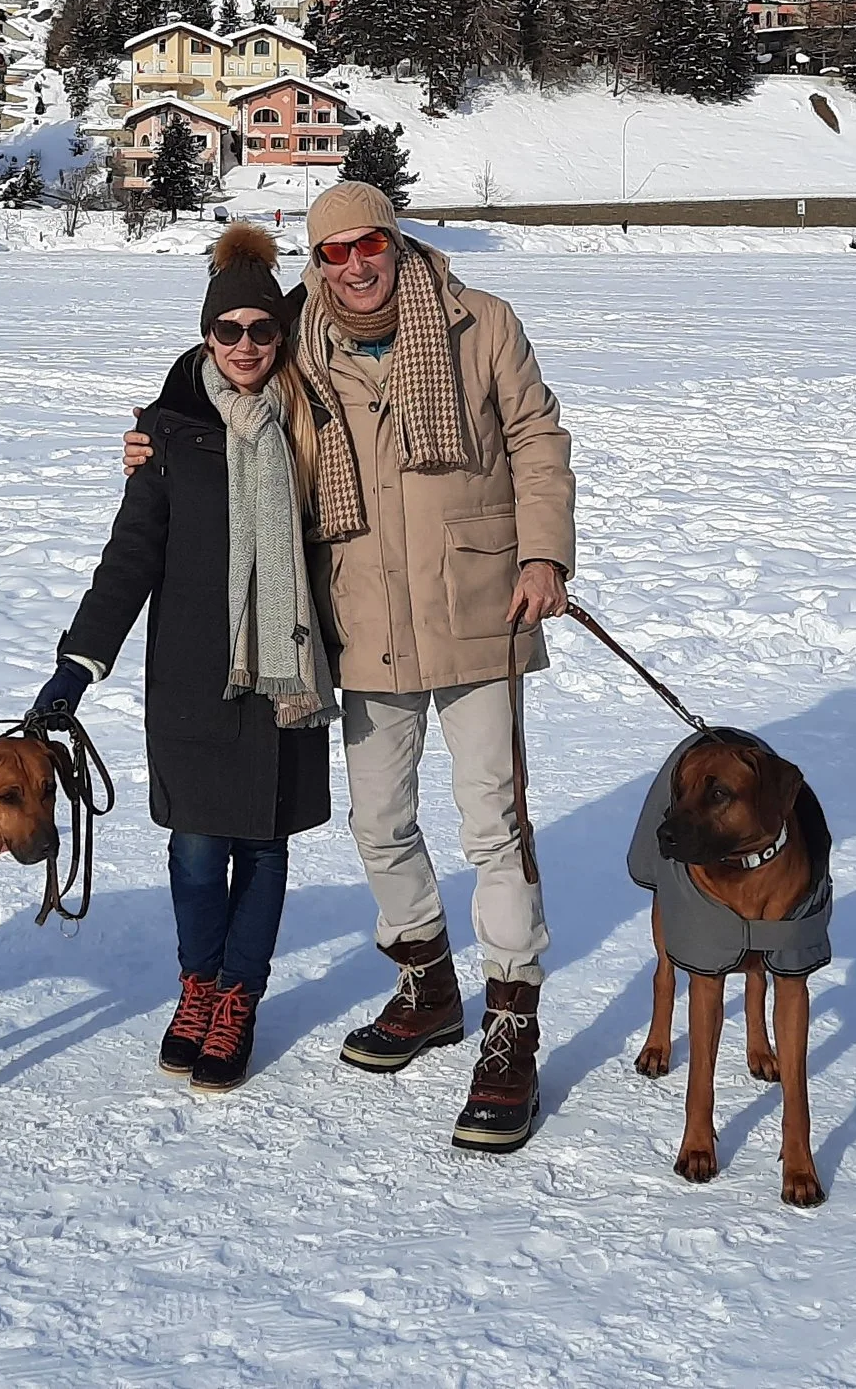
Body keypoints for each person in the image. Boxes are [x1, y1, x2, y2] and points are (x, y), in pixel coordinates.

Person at [135, 180, 577, 1152]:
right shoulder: (298, 345)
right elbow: (222, 374)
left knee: (491, 821)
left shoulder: (480, 321)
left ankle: (510, 1028)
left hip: (477, 604)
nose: (354, 266)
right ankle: (424, 984)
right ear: (317, 262)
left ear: (394, 240)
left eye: (368, 244)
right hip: (361, 614)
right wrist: (161, 439)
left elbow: (537, 437)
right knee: (378, 822)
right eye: (331, 253)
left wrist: (543, 550)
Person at [34, 223, 336, 1094]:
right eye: (227, 330)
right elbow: (130, 559)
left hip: (286, 671)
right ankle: (198, 987)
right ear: (206, 338)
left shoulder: (319, 423)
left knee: (266, 846)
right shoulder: (165, 435)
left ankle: (240, 995)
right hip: (193, 677)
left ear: (283, 335)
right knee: (198, 850)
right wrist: (78, 664)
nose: (245, 346)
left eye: (261, 330)